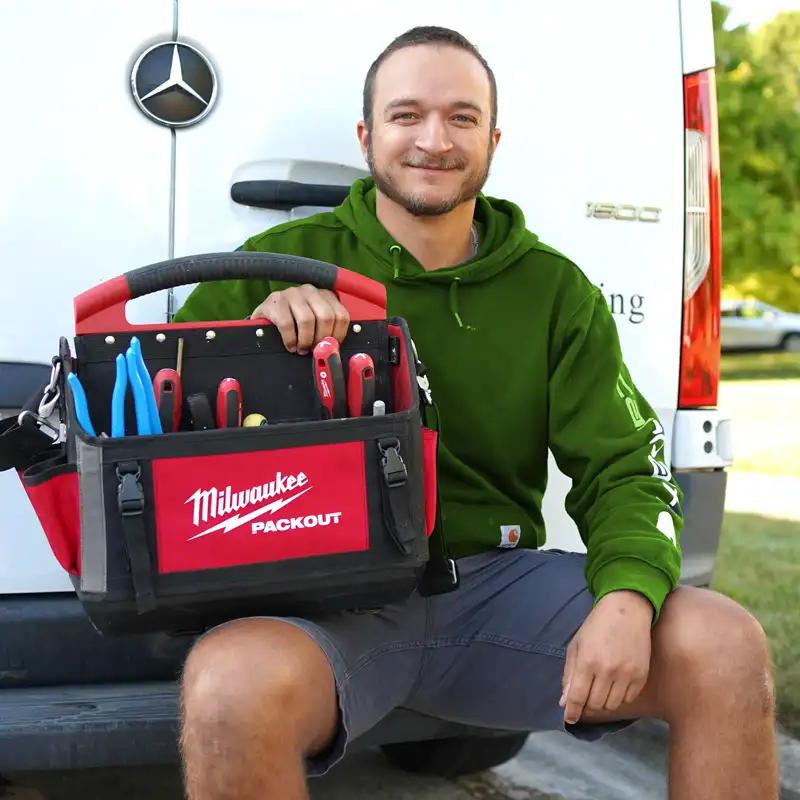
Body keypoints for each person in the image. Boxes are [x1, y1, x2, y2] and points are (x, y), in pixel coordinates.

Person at [172, 25, 778, 800]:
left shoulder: (554, 291)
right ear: (366, 136)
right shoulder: (272, 269)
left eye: (461, 118)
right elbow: (162, 441)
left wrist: (628, 596)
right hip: (328, 612)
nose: (434, 140)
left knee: (724, 646)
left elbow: (625, 468)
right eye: (406, 115)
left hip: (495, 595)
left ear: (493, 139)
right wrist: (254, 347)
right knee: (227, 686)